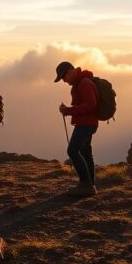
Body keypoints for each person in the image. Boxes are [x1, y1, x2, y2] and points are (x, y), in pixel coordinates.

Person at [55, 61, 99, 197]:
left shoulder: (84, 83)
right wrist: (68, 110)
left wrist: (69, 110)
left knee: (72, 150)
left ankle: (85, 184)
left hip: (86, 124)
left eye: (63, 77)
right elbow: (87, 104)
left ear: (70, 72)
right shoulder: (81, 83)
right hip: (88, 123)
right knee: (86, 152)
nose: (64, 81)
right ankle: (90, 185)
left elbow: (91, 105)